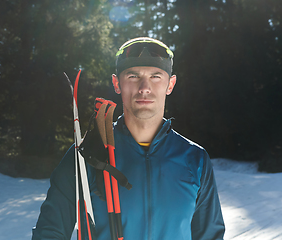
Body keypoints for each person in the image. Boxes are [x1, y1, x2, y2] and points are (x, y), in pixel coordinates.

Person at [32, 37, 225, 240]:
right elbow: (49, 233)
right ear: (117, 83)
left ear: (170, 84)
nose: (144, 87)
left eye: (156, 76)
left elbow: (210, 236)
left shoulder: (195, 159)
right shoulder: (85, 155)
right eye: (133, 76)